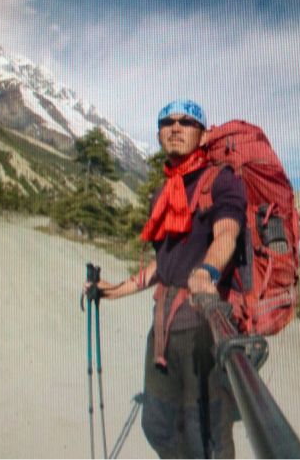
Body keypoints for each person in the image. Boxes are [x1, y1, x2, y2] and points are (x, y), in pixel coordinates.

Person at [84, 99, 246, 458]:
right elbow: (165, 264)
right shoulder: (166, 192)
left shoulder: (221, 181)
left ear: (202, 135)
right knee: (158, 424)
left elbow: (227, 234)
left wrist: (207, 271)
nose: (175, 127)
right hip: (163, 327)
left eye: (187, 122)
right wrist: (114, 291)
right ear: (159, 134)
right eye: (167, 122)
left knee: (206, 438)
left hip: (203, 327)